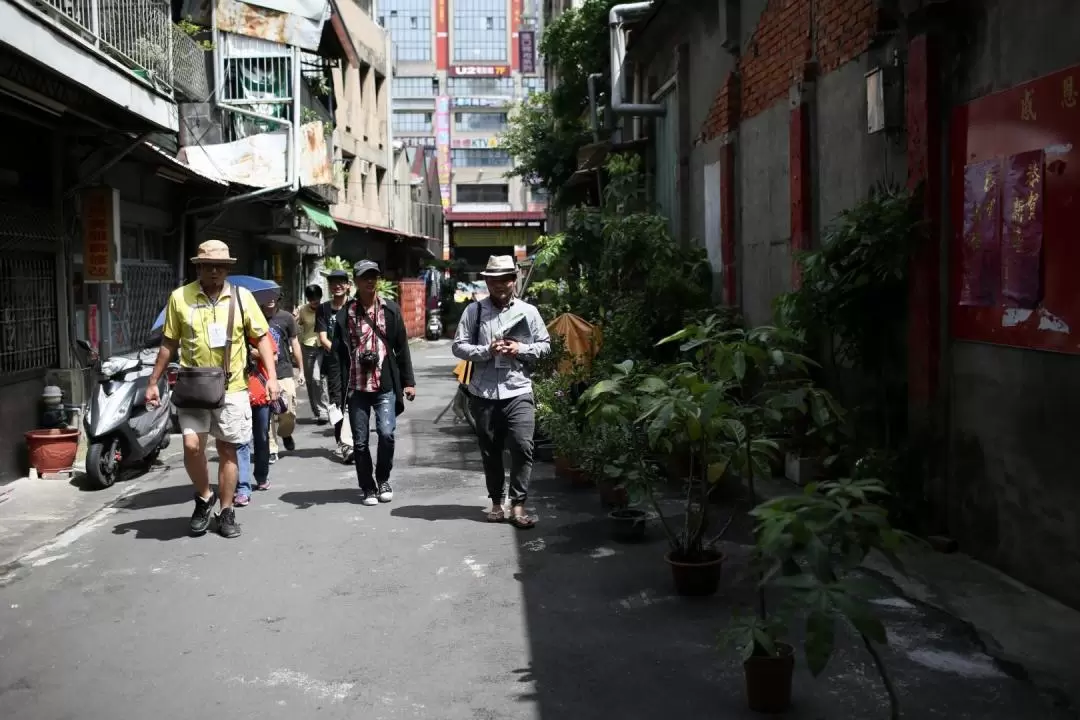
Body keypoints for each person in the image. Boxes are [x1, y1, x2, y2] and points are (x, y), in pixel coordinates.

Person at [146, 240, 277, 539]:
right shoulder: (180, 298)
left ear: (228, 268)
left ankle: (227, 509)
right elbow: (169, 343)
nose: (214, 271)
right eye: (208, 266)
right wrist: (153, 381)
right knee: (192, 446)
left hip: (232, 388)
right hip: (193, 386)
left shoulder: (242, 299)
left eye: (220, 266)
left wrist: (270, 377)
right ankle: (205, 497)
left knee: (227, 448)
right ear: (199, 268)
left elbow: (262, 339)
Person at [452, 255, 550, 529]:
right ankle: (496, 502)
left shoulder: (528, 312)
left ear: (513, 280)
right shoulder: (475, 312)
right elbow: (458, 346)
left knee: (522, 446)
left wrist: (521, 349)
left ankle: (518, 504)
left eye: (505, 278)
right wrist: (486, 351)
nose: (499, 284)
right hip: (483, 393)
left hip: (518, 389)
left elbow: (545, 346)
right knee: (490, 450)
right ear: (487, 281)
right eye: (493, 279)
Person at [330, 260, 416, 506]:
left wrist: (408, 381)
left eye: (374, 276)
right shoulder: (345, 315)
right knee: (360, 442)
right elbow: (335, 357)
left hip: (384, 385)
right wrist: (336, 393)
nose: (370, 281)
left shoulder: (390, 310)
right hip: (356, 387)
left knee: (387, 434)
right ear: (355, 282)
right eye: (365, 277)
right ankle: (367, 487)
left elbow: (402, 347)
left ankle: (383, 479)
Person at [235, 330, 278, 505]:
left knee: (261, 437)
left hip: (260, 392)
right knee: (240, 441)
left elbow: (274, 357)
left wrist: (256, 353)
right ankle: (242, 486)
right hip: (237, 393)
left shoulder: (260, 332)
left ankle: (261, 475)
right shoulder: (230, 332)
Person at [261, 291, 304, 462]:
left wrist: (301, 370)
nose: (270, 299)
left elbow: (294, 343)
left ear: (278, 298)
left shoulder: (286, 318)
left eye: (273, 296)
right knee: (267, 413)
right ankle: (272, 448)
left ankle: (285, 433)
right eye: (266, 296)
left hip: (284, 370)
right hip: (262, 372)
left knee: (289, 411)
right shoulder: (254, 317)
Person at [317, 268, 353, 462]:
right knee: (336, 401)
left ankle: (352, 440)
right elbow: (323, 338)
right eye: (333, 282)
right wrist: (338, 351)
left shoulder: (354, 306)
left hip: (353, 361)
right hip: (333, 361)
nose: (337, 286)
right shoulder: (323, 309)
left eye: (341, 282)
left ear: (348, 285)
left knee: (353, 399)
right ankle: (341, 441)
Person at [297, 284, 328, 424]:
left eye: (316, 298)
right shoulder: (302, 310)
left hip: (322, 346)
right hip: (307, 347)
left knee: (317, 378)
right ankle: (317, 410)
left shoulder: (326, 308)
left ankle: (323, 410)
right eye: (311, 298)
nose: (314, 301)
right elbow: (297, 326)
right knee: (310, 381)